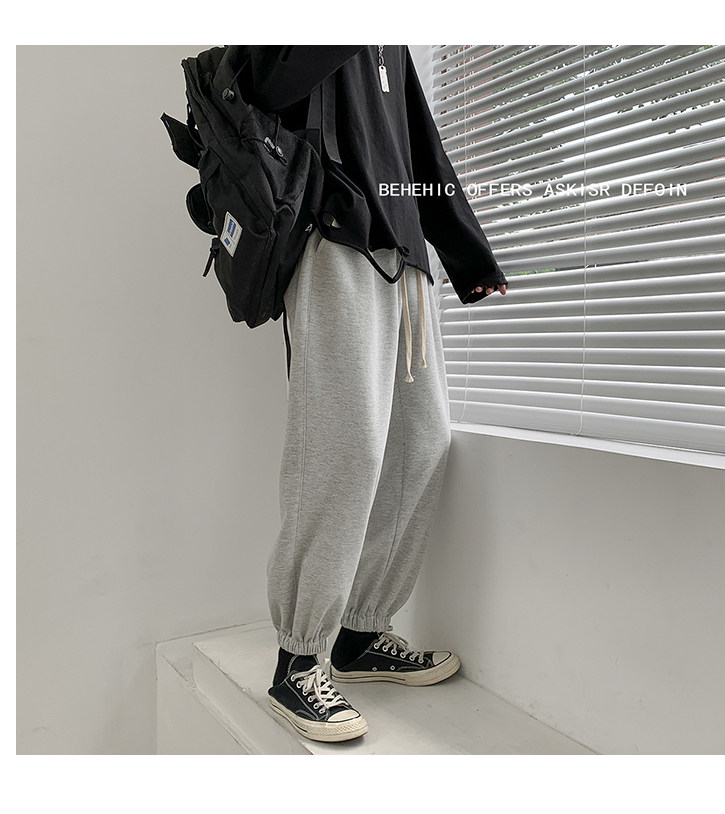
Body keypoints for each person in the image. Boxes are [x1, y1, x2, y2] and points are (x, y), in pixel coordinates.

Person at [244, 45, 508, 743]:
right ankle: (298, 658)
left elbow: (420, 146)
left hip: (406, 255)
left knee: (422, 443)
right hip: (332, 240)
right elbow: (264, 83)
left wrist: (468, 255)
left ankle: (360, 633)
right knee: (346, 447)